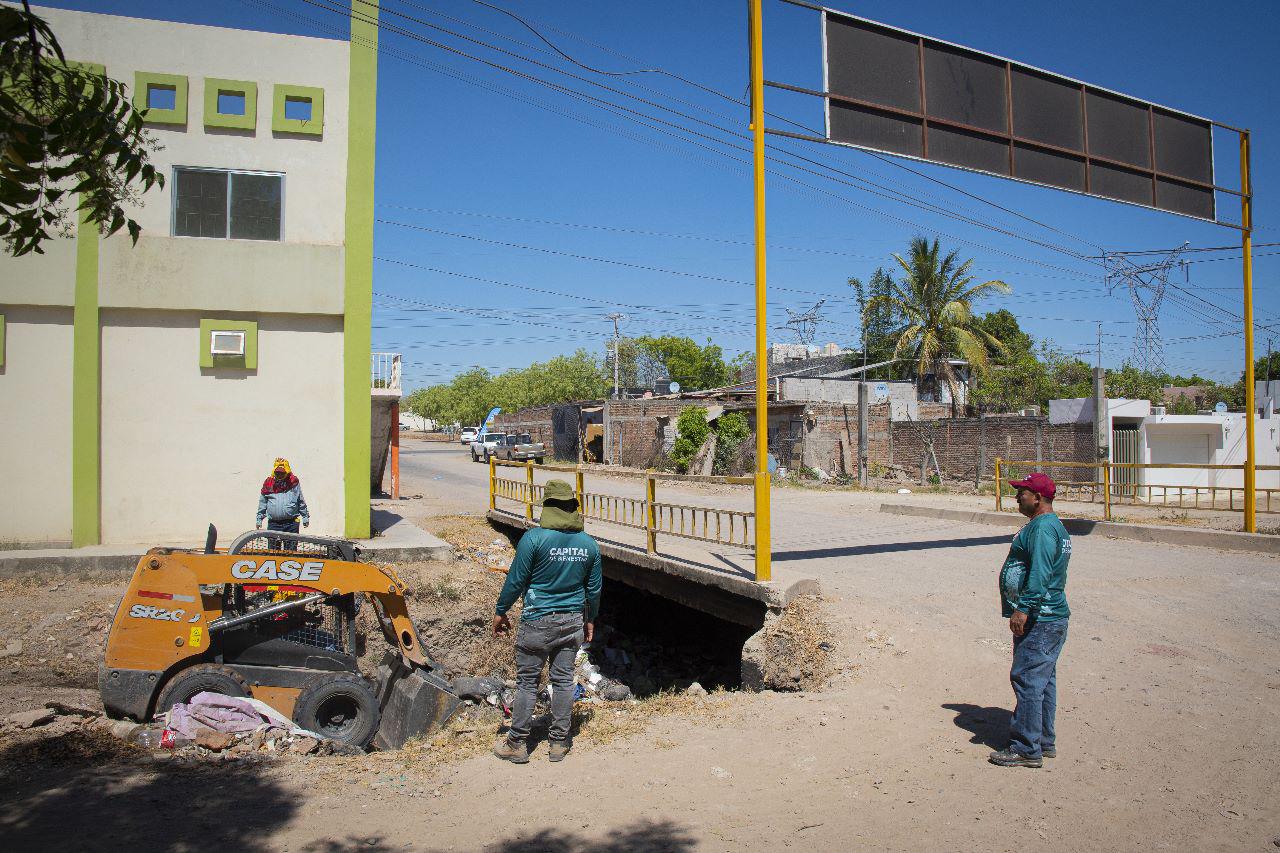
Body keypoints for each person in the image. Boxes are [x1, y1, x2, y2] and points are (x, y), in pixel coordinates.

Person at [491, 479, 602, 765]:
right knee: (563, 681)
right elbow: (594, 590)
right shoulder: (589, 545)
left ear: (548, 507)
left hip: (537, 621)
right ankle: (559, 742)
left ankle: (517, 743)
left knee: (527, 682)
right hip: (572, 621)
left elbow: (516, 580)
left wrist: (501, 610)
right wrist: (591, 619)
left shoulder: (533, 539)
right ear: (573, 507)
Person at [990, 472, 1072, 769]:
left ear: (1038, 498)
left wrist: (1023, 609)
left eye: (1022, 492)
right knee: (1043, 681)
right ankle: (1043, 740)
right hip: (1051, 617)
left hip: (1042, 618)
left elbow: (1040, 574)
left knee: (1026, 680)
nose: (1016, 497)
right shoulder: (1051, 526)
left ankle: (1026, 748)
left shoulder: (1042, 530)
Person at [256, 457, 310, 540]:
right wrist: (259, 519)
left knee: (291, 552)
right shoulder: (269, 484)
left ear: (287, 472)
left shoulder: (293, 483)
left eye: (282, 473)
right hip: (274, 524)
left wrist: (305, 517)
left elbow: (300, 501)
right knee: (273, 552)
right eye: (277, 473)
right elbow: (262, 503)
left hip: (291, 524)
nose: (279, 475)